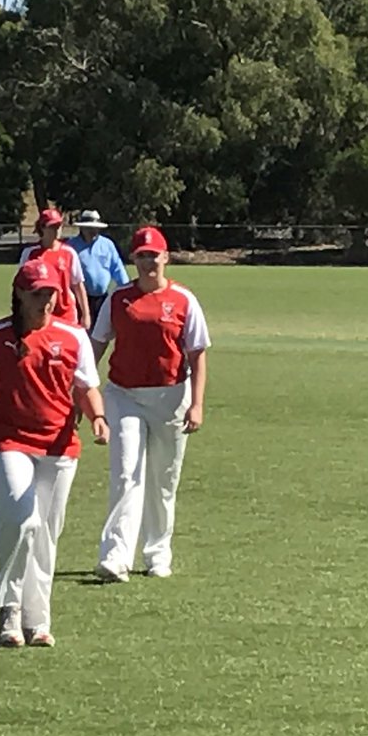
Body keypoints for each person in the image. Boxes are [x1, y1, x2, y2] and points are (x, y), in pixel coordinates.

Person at [0, 259, 110, 648]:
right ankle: (9, 609)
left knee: (45, 533)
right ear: (20, 295)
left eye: (50, 293)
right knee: (21, 519)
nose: (45, 301)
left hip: (59, 446)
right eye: (37, 293)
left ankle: (37, 620)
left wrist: (98, 417)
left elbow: (86, 387)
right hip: (6, 441)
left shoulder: (73, 336)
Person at [90, 225, 210, 583]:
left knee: (163, 478)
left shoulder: (184, 300)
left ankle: (158, 553)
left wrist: (197, 404)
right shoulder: (119, 299)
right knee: (126, 472)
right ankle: (116, 556)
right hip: (124, 394)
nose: (147, 262)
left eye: (153, 255)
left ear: (165, 257)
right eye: (141, 255)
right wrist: (84, 391)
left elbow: (197, 354)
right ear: (134, 258)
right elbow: (96, 345)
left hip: (171, 397)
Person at [20, 209, 90, 330]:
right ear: (42, 228)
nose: (57, 230)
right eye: (52, 226)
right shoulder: (30, 253)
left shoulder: (69, 253)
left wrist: (86, 314)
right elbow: (22, 284)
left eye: (59, 226)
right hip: (39, 312)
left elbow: (78, 285)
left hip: (65, 313)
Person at [66, 209, 130, 320]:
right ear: (82, 228)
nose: (93, 231)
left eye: (95, 228)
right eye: (89, 228)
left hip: (102, 298)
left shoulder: (107, 245)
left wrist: (127, 290)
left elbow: (118, 269)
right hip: (79, 299)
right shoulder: (71, 247)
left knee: (103, 328)